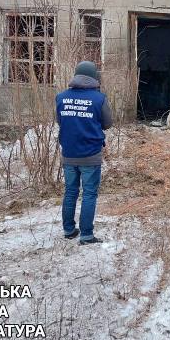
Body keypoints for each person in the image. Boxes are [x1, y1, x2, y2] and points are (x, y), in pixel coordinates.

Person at [56, 61, 113, 245]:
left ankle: (69, 229)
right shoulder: (99, 99)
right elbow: (107, 123)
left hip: (69, 153)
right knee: (89, 193)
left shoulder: (61, 97)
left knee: (70, 191)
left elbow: (60, 120)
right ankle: (87, 235)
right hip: (91, 154)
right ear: (94, 78)